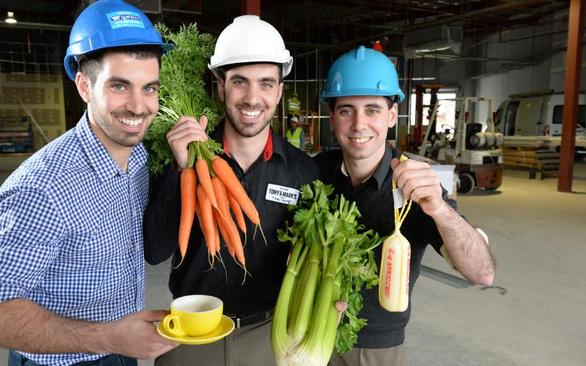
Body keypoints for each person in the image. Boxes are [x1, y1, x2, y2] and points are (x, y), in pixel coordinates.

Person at [0, 1, 177, 365]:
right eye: (119, 86)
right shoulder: (41, 188)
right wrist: (110, 336)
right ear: (84, 86)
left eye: (149, 88)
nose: (139, 106)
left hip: (122, 351)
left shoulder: (141, 158)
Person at [143, 15, 319, 366]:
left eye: (266, 83)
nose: (253, 98)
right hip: (192, 332)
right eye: (240, 81)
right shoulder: (178, 160)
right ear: (220, 86)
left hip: (267, 335)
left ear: (280, 91)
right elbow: (156, 250)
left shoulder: (304, 172)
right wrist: (179, 169)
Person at [315, 46, 496, 366]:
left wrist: (439, 209)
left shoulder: (416, 184)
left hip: (372, 349)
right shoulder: (314, 171)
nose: (359, 125)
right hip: (308, 331)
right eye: (346, 110)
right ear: (332, 117)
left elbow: (482, 274)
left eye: (372, 109)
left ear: (390, 116)